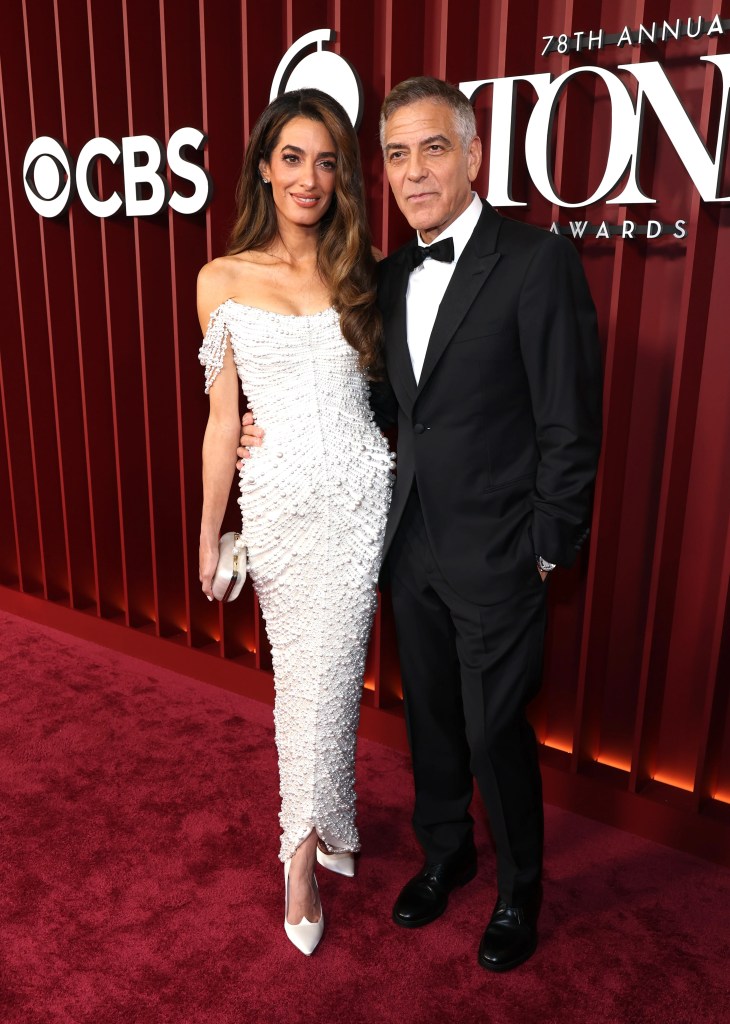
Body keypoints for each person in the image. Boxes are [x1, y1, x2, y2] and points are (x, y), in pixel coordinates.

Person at [240, 76, 602, 971]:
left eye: (432, 148)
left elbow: (571, 421)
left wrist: (548, 550)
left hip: (504, 554)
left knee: (493, 729)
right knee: (433, 722)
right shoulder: (389, 275)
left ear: (475, 156)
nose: (412, 170)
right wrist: (271, 422)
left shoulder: (535, 261)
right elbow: (370, 401)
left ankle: (521, 887)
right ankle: (448, 855)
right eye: (395, 154)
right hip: (406, 546)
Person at [197, 88, 392, 956]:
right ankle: (301, 857)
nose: (308, 177)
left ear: (339, 175)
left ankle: (326, 831)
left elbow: (395, 395)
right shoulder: (223, 279)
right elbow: (219, 419)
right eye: (291, 158)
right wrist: (209, 535)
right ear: (264, 168)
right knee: (299, 688)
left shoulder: (364, 267)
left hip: (358, 500)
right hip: (276, 504)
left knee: (336, 674)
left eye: (325, 161)